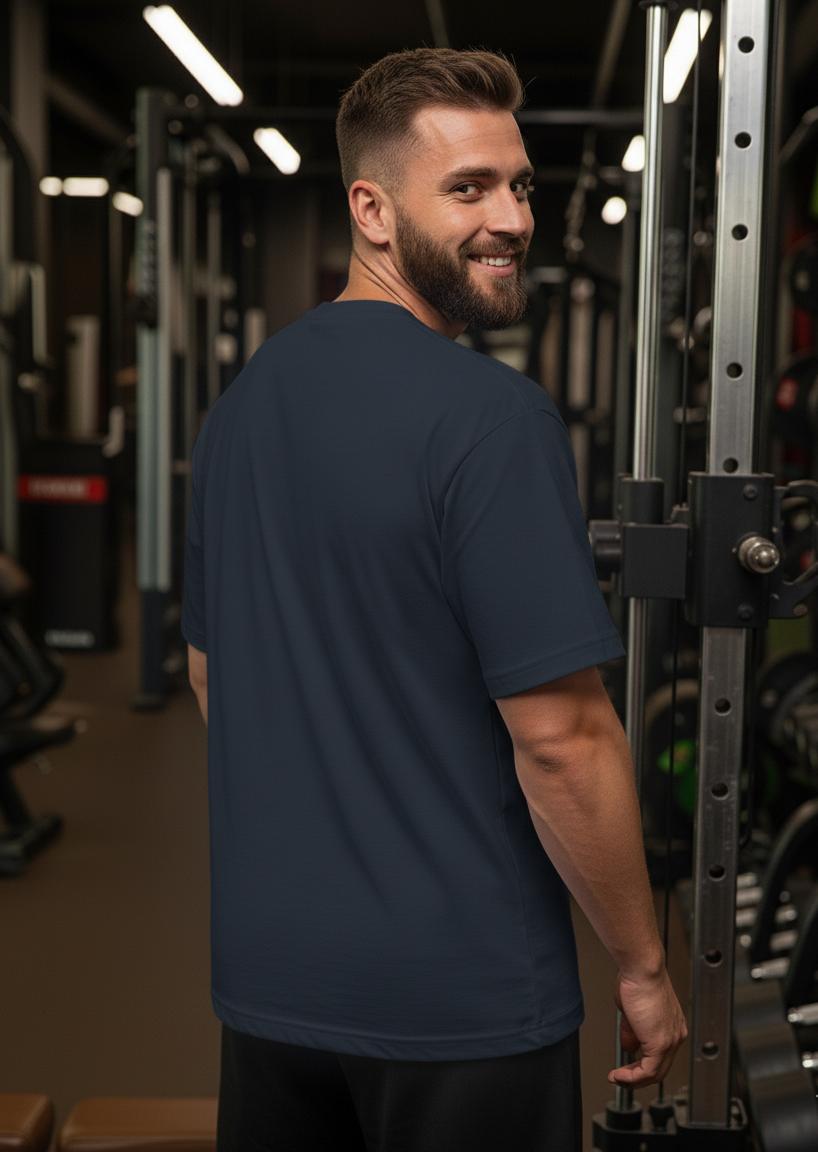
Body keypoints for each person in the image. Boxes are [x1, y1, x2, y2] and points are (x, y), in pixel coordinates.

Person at [182, 46, 687, 1152]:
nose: (512, 219)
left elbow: (213, 677)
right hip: (460, 996)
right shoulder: (492, 420)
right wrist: (643, 966)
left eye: (519, 185)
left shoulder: (242, 405)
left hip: (271, 981)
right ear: (371, 210)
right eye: (468, 189)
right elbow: (560, 741)